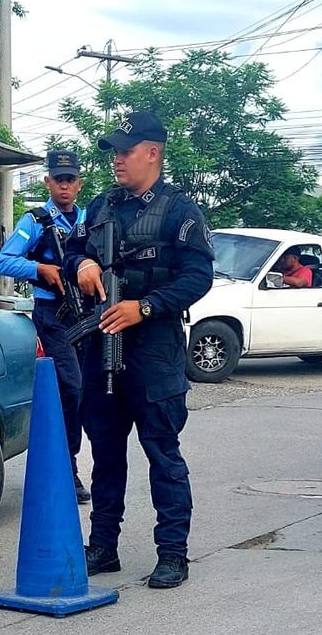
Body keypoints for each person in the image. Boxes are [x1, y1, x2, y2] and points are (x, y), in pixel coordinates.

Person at [64, 111, 214, 589]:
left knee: (162, 453)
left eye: (125, 151)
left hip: (153, 351)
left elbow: (198, 277)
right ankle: (103, 547)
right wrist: (84, 263)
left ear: (153, 152)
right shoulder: (101, 206)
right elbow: (70, 251)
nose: (117, 160)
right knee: (105, 455)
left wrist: (145, 307)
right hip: (102, 343)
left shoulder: (178, 210)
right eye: (114, 152)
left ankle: (173, 553)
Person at [0, 149, 90, 504]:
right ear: (48, 182)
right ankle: (68, 468)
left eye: (70, 180)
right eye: (58, 180)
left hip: (87, 317)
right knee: (72, 388)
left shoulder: (89, 220)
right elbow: (3, 262)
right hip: (53, 318)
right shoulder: (35, 221)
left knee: (92, 393)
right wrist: (40, 271)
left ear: (78, 184)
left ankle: (69, 463)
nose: (64, 186)